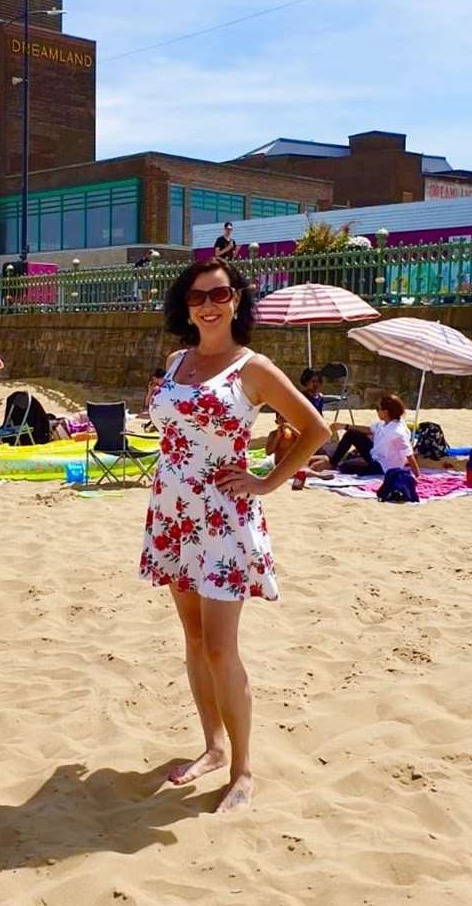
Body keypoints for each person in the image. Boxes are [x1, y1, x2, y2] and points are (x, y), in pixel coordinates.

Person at [140, 257, 330, 813]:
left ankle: (243, 769)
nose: (208, 304)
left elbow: (315, 428)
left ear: (237, 301)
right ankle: (212, 748)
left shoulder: (253, 368)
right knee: (195, 640)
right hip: (173, 514)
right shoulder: (177, 361)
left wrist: (268, 481)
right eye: (198, 297)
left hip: (223, 518)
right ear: (186, 306)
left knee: (222, 648)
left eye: (219, 294)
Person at [327, 394, 420, 478]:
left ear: (385, 412)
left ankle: (340, 465)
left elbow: (409, 455)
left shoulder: (397, 432)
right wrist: (344, 426)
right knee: (352, 434)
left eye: (378, 409)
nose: (377, 411)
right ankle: (333, 463)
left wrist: (417, 475)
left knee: (346, 467)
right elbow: (369, 430)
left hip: (383, 466)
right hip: (375, 455)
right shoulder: (384, 423)